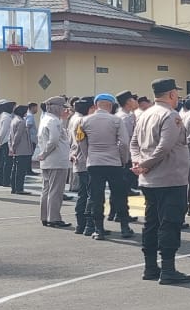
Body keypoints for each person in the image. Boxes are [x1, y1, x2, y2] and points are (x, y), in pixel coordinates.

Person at [130, 78, 190, 285]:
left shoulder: (145, 114)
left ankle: (150, 267)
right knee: (170, 223)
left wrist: (138, 162)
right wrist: (145, 164)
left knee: (151, 223)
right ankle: (168, 268)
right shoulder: (170, 115)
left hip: (149, 179)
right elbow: (165, 146)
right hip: (170, 177)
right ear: (172, 94)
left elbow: (134, 143)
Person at [78, 94, 133, 241]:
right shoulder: (116, 120)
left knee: (96, 197)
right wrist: (123, 159)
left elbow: (81, 142)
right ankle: (125, 228)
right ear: (111, 105)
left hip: (94, 163)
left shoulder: (84, 121)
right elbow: (124, 143)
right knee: (120, 196)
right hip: (114, 162)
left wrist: (88, 157)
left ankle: (98, 229)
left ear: (96, 105)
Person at [37, 96, 72, 228]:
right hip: (56, 160)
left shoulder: (45, 119)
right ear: (57, 108)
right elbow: (54, 140)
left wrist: (43, 154)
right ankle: (54, 218)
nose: (65, 110)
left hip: (47, 161)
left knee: (47, 189)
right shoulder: (54, 121)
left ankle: (45, 216)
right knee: (56, 191)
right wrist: (45, 153)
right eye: (63, 107)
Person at [69, 97, 93, 235]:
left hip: (78, 159)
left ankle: (81, 225)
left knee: (83, 194)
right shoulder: (82, 121)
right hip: (85, 161)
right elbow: (82, 143)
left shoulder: (74, 118)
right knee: (90, 194)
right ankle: (88, 225)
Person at [8, 105, 33, 195]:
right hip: (22, 149)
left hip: (17, 149)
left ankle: (14, 188)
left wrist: (11, 147)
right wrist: (14, 146)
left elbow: (10, 136)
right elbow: (17, 136)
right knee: (20, 171)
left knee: (15, 169)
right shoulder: (21, 121)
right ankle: (19, 188)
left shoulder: (14, 120)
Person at [24, 102, 40, 175]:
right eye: (36, 108)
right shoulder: (30, 116)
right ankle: (28, 170)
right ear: (32, 108)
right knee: (29, 155)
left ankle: (27, 170)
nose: (37, 110)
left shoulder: (28, 115)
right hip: (31, 139)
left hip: (29, 139)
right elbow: (28, 126)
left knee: (28, 155)